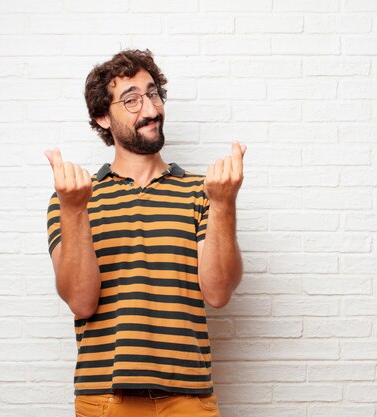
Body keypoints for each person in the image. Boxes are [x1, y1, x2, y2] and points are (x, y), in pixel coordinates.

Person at [45, 49, 245, 417]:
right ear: (103, 117)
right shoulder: (73, 197)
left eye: (152, 94)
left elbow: (218, 293)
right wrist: (74, 209)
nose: (151, 110)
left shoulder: (203, 192)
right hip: (104, 398)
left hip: (190, 398)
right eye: (132, 100)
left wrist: (223, 205)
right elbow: (81, 302)